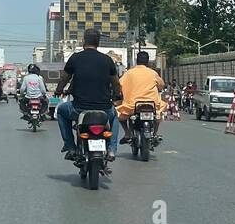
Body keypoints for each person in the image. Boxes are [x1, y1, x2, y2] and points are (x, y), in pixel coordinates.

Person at [54, 29, 121, 160]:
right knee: (115, 116)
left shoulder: (75, 58)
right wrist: (117, 96)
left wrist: (58, 91)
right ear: (98, 42)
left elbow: (64, 78)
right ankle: (112, 149)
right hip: (105, 109)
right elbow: (116, 83)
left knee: (61, 111)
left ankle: (70, 147)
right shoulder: (107, 60)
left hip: (79, 109)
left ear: (84, 41)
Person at [118, 50, 166, 143]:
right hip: (152, 105)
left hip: (132, 105)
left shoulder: (129, 73)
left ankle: (127, 133)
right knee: (158, 116)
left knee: (120, 117)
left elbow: (119, 86)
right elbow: (161, 85)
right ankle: (155, 134)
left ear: (137, 61)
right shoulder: (153, 73)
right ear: (147, 61)